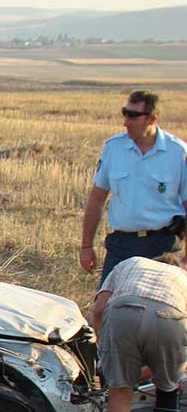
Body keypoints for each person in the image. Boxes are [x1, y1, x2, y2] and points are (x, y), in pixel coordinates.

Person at [91, 253, 187, 412]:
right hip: (171, 315)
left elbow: (99, 309)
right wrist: (170, 372)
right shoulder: (182, 277)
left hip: (123, 311)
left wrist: (107, 356)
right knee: (168, 393)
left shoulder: (129, 263)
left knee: (119, 396)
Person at [80, 90, 187, 284]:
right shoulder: (113, 148)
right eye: (125, 114)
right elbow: (96, 200)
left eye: (133, 116)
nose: (126, 122)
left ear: (152, 119)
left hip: (164, 246)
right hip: (122, 246)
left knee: (161, 309)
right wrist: (86, 247)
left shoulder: (178, 153)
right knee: (104, 308)